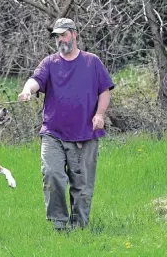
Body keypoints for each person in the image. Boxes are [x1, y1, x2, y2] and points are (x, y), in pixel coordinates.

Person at [18, 18, 114, 231]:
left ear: (74, 34)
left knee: (82, 186)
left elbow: (104, 91)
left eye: (63, 35)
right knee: (52, 175)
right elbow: (35, 80)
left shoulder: (92, 62)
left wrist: (100, 114)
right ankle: (59, 224)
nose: (60, 39)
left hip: (85, 133)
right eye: (57, 36)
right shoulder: (49, 63)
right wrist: (27, 90)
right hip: (53, 133)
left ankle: (79, 227)